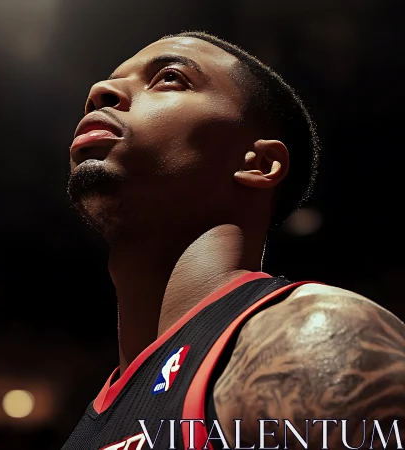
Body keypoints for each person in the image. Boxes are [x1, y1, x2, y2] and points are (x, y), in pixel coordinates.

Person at [61, 31, 405, 450]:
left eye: (169, 78)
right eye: (108, 82)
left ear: (258, 163)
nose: (101, 91)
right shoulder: (94, 414)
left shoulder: (313, 339)